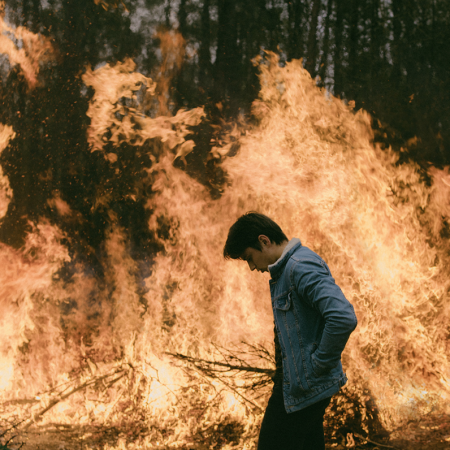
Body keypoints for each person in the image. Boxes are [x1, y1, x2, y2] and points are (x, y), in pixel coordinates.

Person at [223, 212, 358, 450]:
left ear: (264, 241)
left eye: (249, 258)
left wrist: (318, 364)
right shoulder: (287, 271)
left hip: (305, 385)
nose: (252, 267)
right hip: (296, 384)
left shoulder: (299, 267)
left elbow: (342, 317)